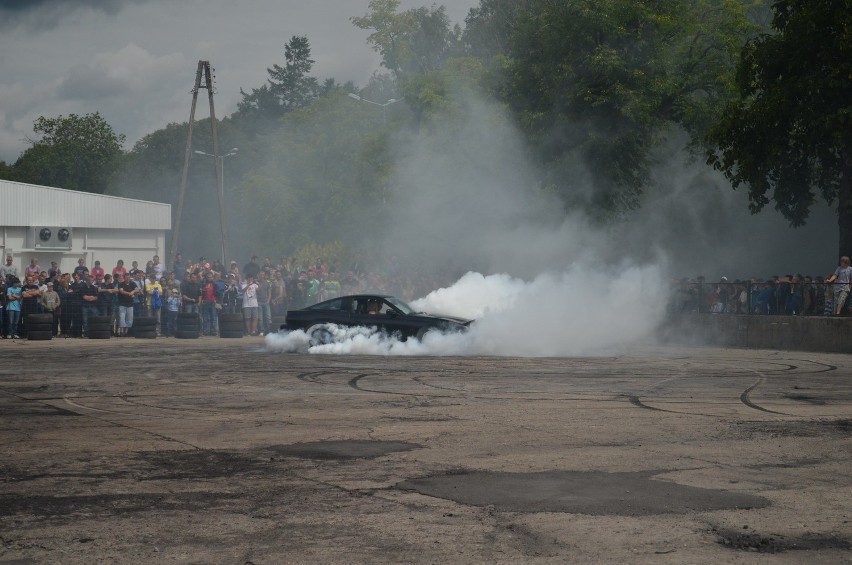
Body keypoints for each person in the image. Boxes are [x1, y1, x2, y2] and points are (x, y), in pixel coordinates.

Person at [199, 271, 219, 336]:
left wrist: (217, 301)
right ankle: (205, 332)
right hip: (205, 301)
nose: (209, 278)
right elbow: (200, 292)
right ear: (206, 277)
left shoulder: (215, 283)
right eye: (208, 277)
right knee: (205, 318)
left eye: (211, 277)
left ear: (212, 277)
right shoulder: (203, 283)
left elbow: (218, 292)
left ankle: (213, 332)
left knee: (213, 317)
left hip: (213, 301)